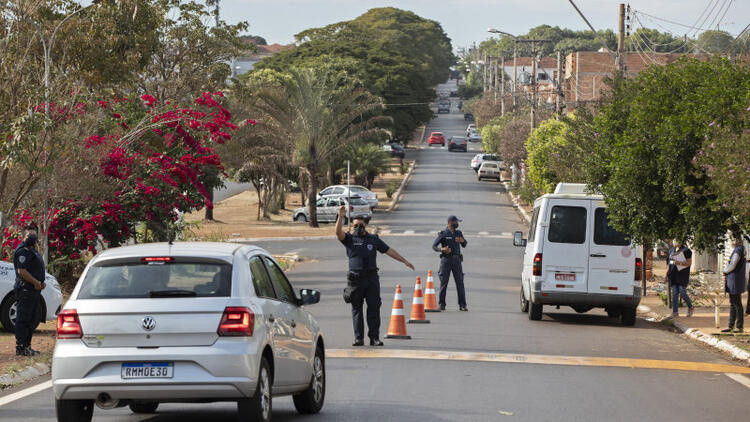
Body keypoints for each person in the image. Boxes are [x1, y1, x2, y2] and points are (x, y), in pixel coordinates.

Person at [336, 206, 414, 347]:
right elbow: (337, 233)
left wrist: (404, 261)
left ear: (366, 225)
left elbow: (388, 250)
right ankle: (358, 338)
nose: (358, 227)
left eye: (360, 225)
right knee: (357, 310)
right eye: (355, 225)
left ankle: (374, 338)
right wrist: (341, 217)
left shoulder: (373, 239)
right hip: (355, 280)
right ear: (352, 227)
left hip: (371, 278)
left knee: (374, 308)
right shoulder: (349, 239)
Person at [12, 226, 46, 356]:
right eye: (29, 236)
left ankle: (27, 346)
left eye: (34, 236)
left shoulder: (32, 250)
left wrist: (41, 283)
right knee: (24, 319)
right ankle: (21, 347)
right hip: (26, 289)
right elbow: (21, 271)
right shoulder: (23, 250)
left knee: (31, 319)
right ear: (23, 236)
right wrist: (36, 282)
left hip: (34, 290)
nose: (32, 238)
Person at [432, 215, 468, 311]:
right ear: (450, 223)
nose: (457, 224)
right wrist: (441, 249)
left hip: (457, 261)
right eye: (456, 222)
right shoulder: (443, 233)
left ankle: (462, 305)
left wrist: (462, 240)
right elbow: (434, 246)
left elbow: (464, 245)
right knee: (444, 282)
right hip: (446, 261)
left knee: (460, 282)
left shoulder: (458, 233)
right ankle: (442, 304)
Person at [722, 234, 746, 333]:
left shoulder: (738, 250)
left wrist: (725, 271)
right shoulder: (741, 249)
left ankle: (739, 326)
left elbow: (732, 264)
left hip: (735, 280)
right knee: (733, 303)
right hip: (734, 279)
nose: (730, 241)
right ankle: (731, 325)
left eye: (731, 239)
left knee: (737, 303)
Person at [665, 239, 694, 318]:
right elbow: (670, 263)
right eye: (674, 240)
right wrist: (667, 273)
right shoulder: (671, 250)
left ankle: (690, 307)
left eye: (677, 239)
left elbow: (689, 263)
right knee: (674, 293)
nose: (675, 241)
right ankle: (675, 312)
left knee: (682, 291)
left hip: (682, 275)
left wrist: (679, 263)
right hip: (673, 275)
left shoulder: (686, 251)